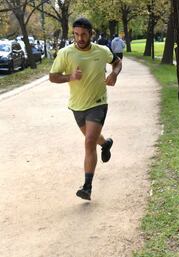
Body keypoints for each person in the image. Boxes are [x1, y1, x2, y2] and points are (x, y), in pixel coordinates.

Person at [49, 17, 122, 201]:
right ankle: (106, 144)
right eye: (76, 34)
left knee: (89, 141)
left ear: (91, 34)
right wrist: (70, 77)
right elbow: (53, 76)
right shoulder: (66, 53)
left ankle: (87, 186)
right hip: (77, 106)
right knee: (93, 138)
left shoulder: (102, 51)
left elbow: (117, 61)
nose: (79, 38)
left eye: (83, 34)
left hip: (98, 102)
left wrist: (114, 73)